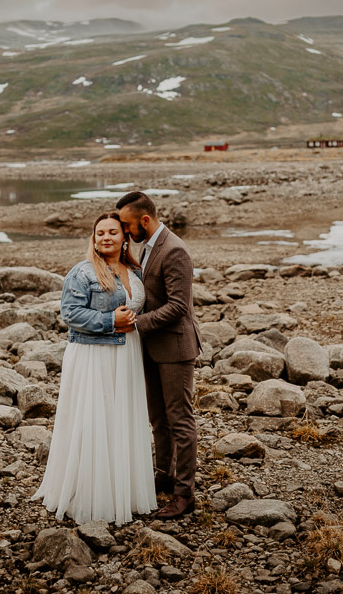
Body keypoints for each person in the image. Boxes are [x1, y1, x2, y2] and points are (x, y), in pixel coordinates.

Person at [30, 213, 157, 525]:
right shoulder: (82, 272)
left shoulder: (134, 270)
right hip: (93, 354)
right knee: (93, 418)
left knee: (121, 418)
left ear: (123, 237)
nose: (105, 238)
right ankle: (90, 494)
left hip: (127, 353)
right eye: (100, 233)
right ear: (94, 238)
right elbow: (70, 314)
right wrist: (111, 320)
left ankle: (123, 491)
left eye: (112, 232)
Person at [115, 191, 202, 520]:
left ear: (144, 219)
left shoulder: (174, 249)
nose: (125, 232)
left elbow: (179, 306)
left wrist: (136, 323)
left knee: (180, 420)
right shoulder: (146, 246)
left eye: (127, 225)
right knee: (158, 419)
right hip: (152, 345)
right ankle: (164, 477)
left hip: (175, 348)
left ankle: (184, 494)